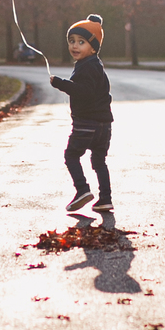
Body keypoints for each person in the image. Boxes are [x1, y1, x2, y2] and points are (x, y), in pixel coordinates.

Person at [49, 13, 113, 213]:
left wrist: (60, 83)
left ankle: (83, 190)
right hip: (104, 124)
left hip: (87, 122)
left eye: (81, 42)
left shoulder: (88, 68)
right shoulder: (96, 66)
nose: (74, 46)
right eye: (71, 41)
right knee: (99, 160)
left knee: (71, 155)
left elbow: (83, 92)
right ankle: (105, 198)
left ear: (93, 47)